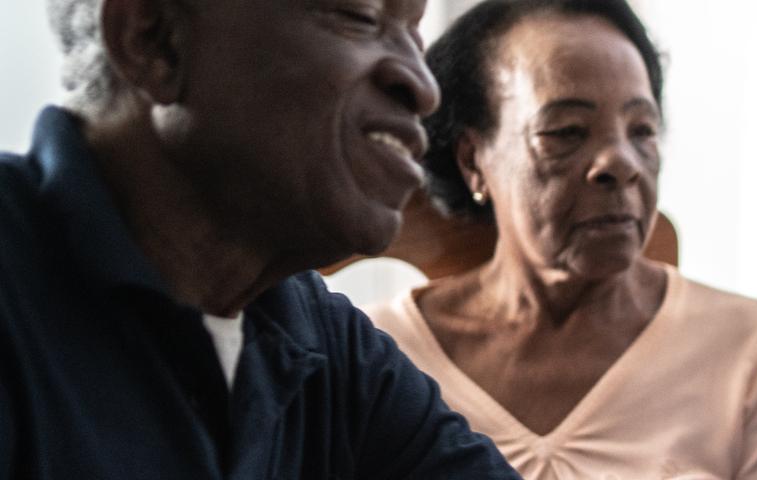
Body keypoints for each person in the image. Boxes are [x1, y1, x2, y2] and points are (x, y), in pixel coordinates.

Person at [0, 0, 517, 477]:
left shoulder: (312, 336)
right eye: (359, 16)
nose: (424, 89)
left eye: (414, 36)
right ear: (154, 40)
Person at [359, 0, 757, 478]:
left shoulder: (743, 348)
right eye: (567, 131)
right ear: (473, 160)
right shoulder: (379, 355)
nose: (621, 163)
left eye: (642, 130)